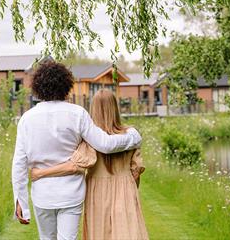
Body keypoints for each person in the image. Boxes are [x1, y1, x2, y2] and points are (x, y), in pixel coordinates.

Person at [12, 62, 142, 240]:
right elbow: (105, 144)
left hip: (43, 193)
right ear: (66, 85)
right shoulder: (77, 114)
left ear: (38, 88)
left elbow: (19, 163)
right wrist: (133, 137)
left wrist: (20, 201)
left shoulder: (27, 119)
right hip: (71, 192)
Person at [31, 89, 149, 240]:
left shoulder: (89, 140)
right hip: (125, 189)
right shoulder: (129, 135)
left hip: (97, 192)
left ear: (93, 109)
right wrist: (130, 190)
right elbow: (136, 172)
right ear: (115, 107)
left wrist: (40, 173)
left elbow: (73, 166)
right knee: (127, 232)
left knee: (99, 233)